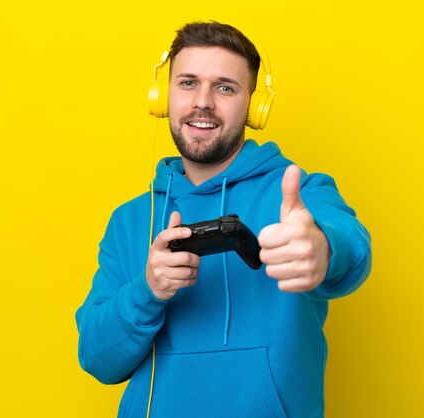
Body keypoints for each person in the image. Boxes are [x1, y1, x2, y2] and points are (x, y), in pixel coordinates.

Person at [75, 21, 372, 418]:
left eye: (225, 87)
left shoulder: (298, 191)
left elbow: (353, 249)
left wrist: (322, 247)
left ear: (254, 105)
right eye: (187, 83)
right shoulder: (130, 220)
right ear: (163, 98)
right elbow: (97, 358)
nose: (203, 102)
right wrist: (148, 290)